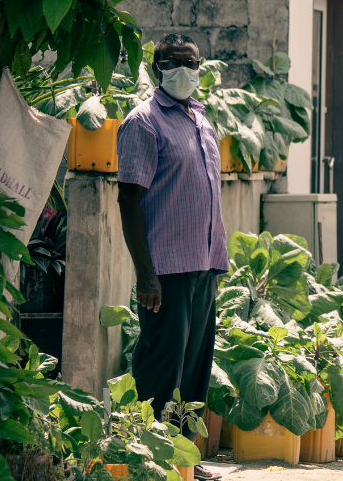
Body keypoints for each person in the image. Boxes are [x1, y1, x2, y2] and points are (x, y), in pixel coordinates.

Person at [117, 34, 225, 481]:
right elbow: (128, 201)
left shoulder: (199, 118)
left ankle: (183, 460)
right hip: (166, 268)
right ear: (157, 67)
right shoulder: (143, 123)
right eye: (173, 63)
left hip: (203, 262)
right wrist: (146, 274)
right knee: (162, 363)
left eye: (191, 63)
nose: (184, 71)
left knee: (196, 365)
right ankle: (147, 458)